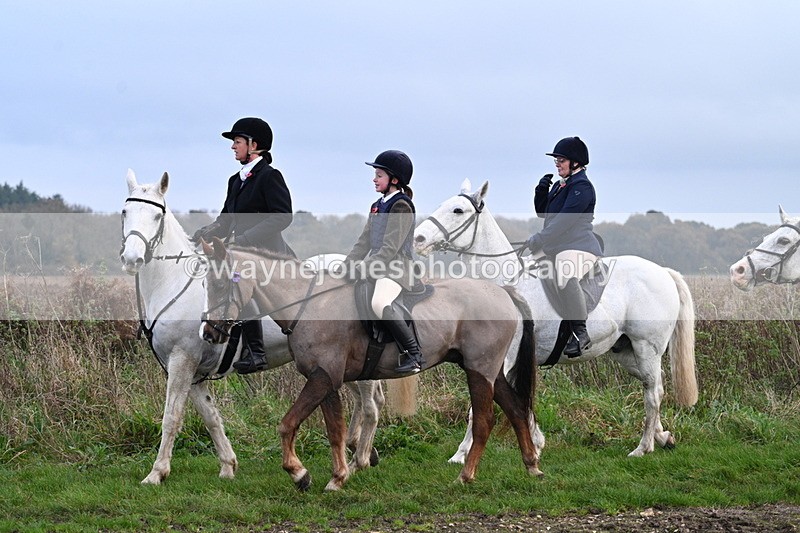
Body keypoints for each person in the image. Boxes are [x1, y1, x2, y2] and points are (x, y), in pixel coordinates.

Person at [193, 117, 295, 374]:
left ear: (254, 145)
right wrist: (204, 232)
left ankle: (257, 353)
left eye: (237, 142)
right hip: (242, 253)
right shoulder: (235, 180)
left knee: (238, 285)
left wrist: (246, 239)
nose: (233, 147)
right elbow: (226, 221)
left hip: (269, 255)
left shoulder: (270, 177)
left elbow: (283, 216)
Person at [341, 150, 425, 374]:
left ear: (394, 180)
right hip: (380, 264)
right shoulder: (377, 205)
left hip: (397, 267)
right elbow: (364, 241)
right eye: (375, 175)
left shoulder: (401, 206)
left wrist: (364, 268)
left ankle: (414, 354)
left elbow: (390, 248)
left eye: (379, 175)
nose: (374, 179)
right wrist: (348, 264)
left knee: (380, 303)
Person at [526, 136, 602, 358]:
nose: (557, 164)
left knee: (565, 275)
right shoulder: (562, 185)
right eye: (556, 160)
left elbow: (564, 221)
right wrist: (541, 191)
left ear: (575, 163)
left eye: (561, 160)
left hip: (579, 246)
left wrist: (540, 237)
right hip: (557, 246)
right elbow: (544, 214)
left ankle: (580, 333)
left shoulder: (582, 187)